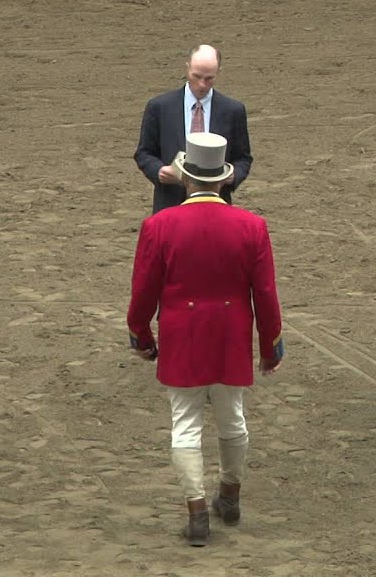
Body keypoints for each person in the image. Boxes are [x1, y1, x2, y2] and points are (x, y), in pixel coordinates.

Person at [127, 132, 284, 547]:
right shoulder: (253, 226)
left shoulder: (159, 226)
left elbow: (143, 292)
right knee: (233, 419)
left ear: (186, 178)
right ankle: (229, 495)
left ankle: (197, 512)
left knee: (185, 424)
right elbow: (265, 295)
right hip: (231, 336)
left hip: (183, 336)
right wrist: (270, 346)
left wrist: (140, 335)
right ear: (222, 179)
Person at [134, 44, 253, 214]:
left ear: (218, 72)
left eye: (209, 78)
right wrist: (159, 171)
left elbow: (243, 158)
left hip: (216, 207)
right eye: (196, 76)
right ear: (187, 68)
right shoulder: (160, 107)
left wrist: (233, 176)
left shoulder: (233, 110)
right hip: (170, 204)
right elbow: (144, 153)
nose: (202, 84)